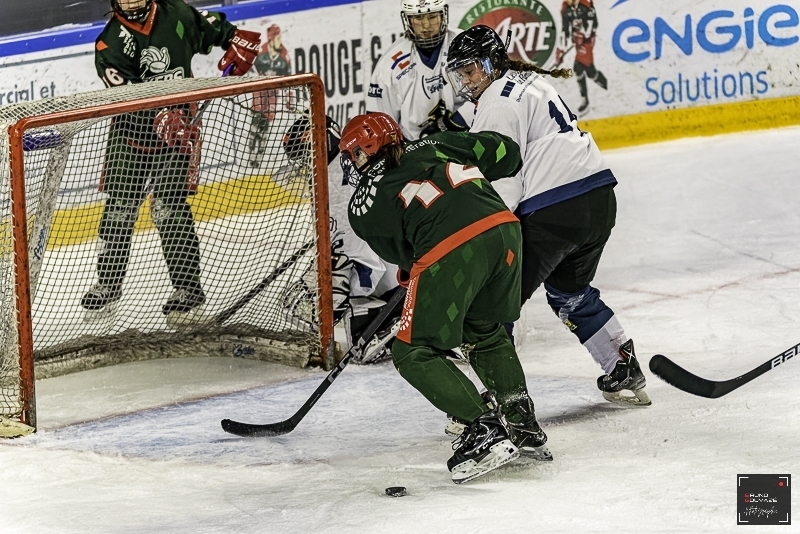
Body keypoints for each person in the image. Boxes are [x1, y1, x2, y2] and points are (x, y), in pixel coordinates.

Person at [339, 112, 552, 484]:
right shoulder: (438, 143)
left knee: (413, 351)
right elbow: (507, 152)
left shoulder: (363, 202)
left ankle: (482, 430)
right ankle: (522, 423)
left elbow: (402, 255)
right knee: (483, 331)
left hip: (452, 249)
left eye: (354, 154)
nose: (353, 163)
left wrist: (416, 269)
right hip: (505, 234)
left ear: (365, 150)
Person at [445, 25, 651, 407]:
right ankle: (622, 365)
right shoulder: (529, 83)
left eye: (470, 69)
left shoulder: (497, 101)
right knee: (569, 292)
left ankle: (502, 402)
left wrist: (474, 230)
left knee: (491, 308)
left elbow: (505, 182)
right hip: (599, 199)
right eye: (460, 73)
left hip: (553, 210)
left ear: (492, 63)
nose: (466, 80)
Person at [86, 0, 260, 323]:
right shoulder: (107, 45)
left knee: (168, 208)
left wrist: (236, 39)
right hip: (131, 135)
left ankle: (188, 288)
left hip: (179, 132)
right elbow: (129, 99)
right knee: (119, 210)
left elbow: (216, 31)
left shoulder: (177, 14)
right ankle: (108, 285)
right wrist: (159, 115)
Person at [280, 114, 401, 364]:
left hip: (393, 278)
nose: (305, 164)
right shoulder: (341, 169)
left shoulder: (337, 185)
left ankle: (394, 315)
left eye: (306, 154)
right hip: (395, 264)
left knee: (328, 316)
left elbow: (369, 267)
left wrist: (336, 288)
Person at [366, 0, 472, 141]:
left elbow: (489, 92)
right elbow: (378, 126)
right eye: (418, 18)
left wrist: (454, 122)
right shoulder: (389, 66)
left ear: (442, 15)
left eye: (432, 16)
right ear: (408, 19)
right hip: (414, 150)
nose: (426, 25)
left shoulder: (465, 46)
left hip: (467, 136)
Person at [249, 24, 293, 167]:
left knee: (266, 126)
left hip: (273, 95)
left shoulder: (284, 55)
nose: (280, 40)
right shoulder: (260, 53)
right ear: (271, 38)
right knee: (255, 124)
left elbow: (288, 81)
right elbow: (250, 72)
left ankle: (258, 158)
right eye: (277, 37)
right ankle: (251, 152)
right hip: (259, 92)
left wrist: (289, 99)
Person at [556, 0, 607, 114]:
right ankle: (603, 86)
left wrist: (583, 35)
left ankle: (587, 99)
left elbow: (592, 26)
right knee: (589, 72)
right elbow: (565, 31)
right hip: (578, 42)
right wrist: (561, 50)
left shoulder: (586, 5)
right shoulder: (566, 8)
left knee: (579, 68)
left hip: (588, 41)